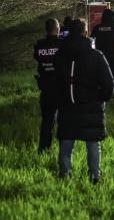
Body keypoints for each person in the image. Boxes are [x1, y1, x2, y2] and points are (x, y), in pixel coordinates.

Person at [55, 19, 114, 183]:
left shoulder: (60, 55)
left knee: (66, 141)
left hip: (67, 105)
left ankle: (65, 175)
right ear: (85, 32)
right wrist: (102, 98)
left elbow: (55, 81)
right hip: (91, 105)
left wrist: (62, 98)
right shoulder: (96, 56)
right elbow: (109, 83)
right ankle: (94, 176)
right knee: (93, 142)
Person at [33, 18, 63, 153]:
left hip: (45, 87)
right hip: (60, 87)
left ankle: (44, 149)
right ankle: (65, 150)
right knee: (63, 120)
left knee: (47, 121)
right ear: (57, 29)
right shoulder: (62, 44)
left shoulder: (39, 45)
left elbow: (37, 58)